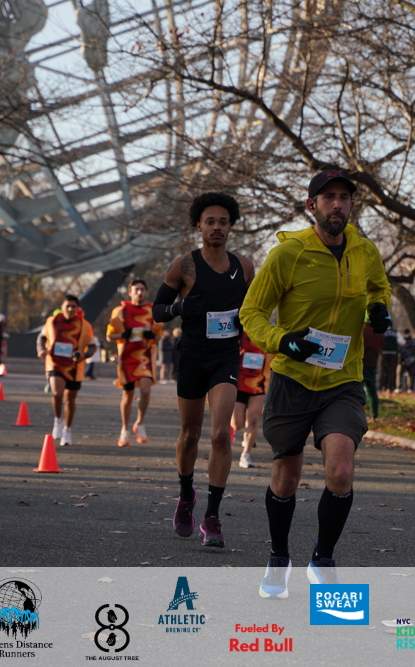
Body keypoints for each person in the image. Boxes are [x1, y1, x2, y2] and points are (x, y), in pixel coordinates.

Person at [240, 169, 391, 597]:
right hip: (292, 379)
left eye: (344, 197)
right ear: (312, 206)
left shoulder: (365, 251)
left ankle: (322, 559)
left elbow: (379, 288)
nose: (337, 204)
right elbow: (251, 313)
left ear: (352, 205)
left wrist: (378, 309)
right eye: (328, 197)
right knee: (286, 477)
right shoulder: (288, 254)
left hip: (342, 380)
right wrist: (282, 341)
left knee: (340, 469)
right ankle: (278, 558)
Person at [152, 192, 254, 549]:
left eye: (223, 222)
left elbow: (253, 311)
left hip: (225, 357)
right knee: (190, 434)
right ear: (199, 225)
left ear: (231, 226)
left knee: (221, 435)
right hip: (193, 357)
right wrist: (180, 308)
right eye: (210, 221)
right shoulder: (184, 265)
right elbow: (158, 310)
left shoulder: (245, 267)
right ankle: (185, 495)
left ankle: (212, 517)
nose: (217, 227)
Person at [106, 279, 163, 447]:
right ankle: (125, 429)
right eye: (136, 289)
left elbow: (158, 335)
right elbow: (110, 336)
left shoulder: (152, 311)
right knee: (128, 395)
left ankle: (139, 423)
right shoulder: (120, 311)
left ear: (146, 292)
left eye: (142, 289)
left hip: (145, 356)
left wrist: (152, 336)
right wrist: (124, 334)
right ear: (129, 292)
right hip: (127, 358)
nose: (139, 292)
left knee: (146, 389)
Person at [37, 295, 94, 446]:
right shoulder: (52, 321)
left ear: (77, 308)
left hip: (74, 366)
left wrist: (84, 355)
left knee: (70, 400)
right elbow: (41, 337)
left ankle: (67, 430)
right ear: (61, 307)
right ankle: (58, 420)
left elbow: (93, 346)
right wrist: (41, 350)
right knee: (57, 393)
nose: (70, 309)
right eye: (67, 306)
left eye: (73, 306)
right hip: (54, 363)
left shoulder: (85, 325)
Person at [231, 332, 273, 468]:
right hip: (239, 383)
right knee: (237, 424)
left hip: (259, 384)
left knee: (253, 419)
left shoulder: (268, 334)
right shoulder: (239, 334)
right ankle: (238, 431)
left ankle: (246, 454)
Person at [362, 320, 383, 420]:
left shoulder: (362, 330)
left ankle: (356, 415)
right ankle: (374, 415)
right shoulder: (379, 332)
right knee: (372, 391)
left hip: (360, 364)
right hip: (372, 364)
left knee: (355, 391)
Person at [379, 325, 399, 393]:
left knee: (383, 370)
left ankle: (382, 386)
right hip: (393, 353)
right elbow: (402, 342)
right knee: (391, 370)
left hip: (384, 352)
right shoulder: (395, 332)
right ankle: (390, 387)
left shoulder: (383, 332)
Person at [398, 328, 415, 392]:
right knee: (411, 375)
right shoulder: (413, 341)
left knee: (399, 373)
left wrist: (401, 359)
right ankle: (410, 388)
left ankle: (399, 387)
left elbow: (400, 350)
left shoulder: (402, 341)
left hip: (403, 359)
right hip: (412, 359)